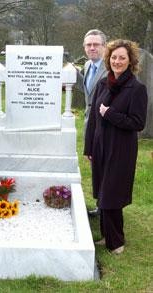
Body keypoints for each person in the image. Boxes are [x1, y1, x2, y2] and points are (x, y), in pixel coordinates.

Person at [84, 39, 148, 254]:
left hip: (121, 149)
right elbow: (93, 118)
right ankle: (106, 236)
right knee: (102, 191)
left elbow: (137, 123)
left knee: (112, 193)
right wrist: (89, 147)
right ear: (108, 59)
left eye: (122, 58)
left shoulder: (136, 89)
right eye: (113, 57)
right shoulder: (103, 84)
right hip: (101, 146)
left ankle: (117, 241)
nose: (117, 61)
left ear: (130, 61)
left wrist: (111, 114)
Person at [82, 29, 108, 217]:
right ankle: (101, 205)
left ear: (104, 47)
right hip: (89, 124)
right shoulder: (86, 66)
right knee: (95, 165)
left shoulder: (111, 68)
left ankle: (107, 207)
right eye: (89, 45)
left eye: (96, 44)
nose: (92, 48)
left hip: (106, 126)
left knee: (107, 167)